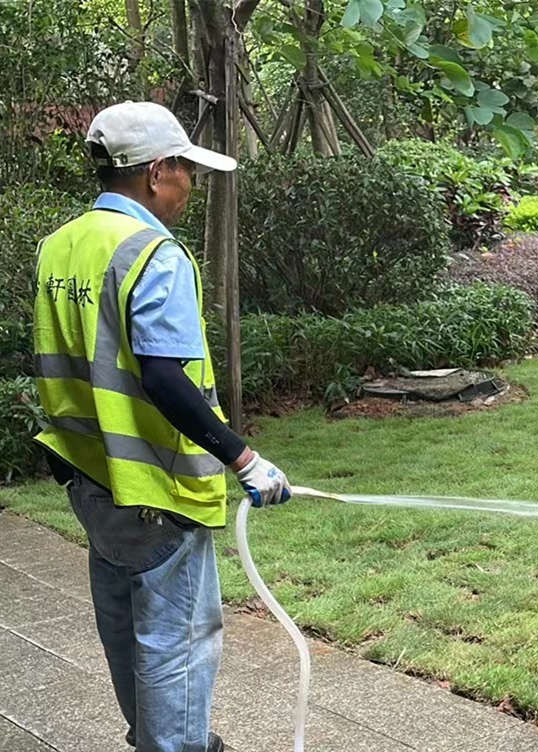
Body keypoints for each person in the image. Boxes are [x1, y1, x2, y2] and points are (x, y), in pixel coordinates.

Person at [32, 101, 292, 752]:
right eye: (185, 171)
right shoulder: (153, 253)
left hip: (92, 482)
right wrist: (243, 459)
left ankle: (159, 738)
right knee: (175, 644)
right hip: (157, 493)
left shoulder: (59, 247)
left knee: (124, 628)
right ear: (156, 173)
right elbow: (164, 378)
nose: (190, 185)